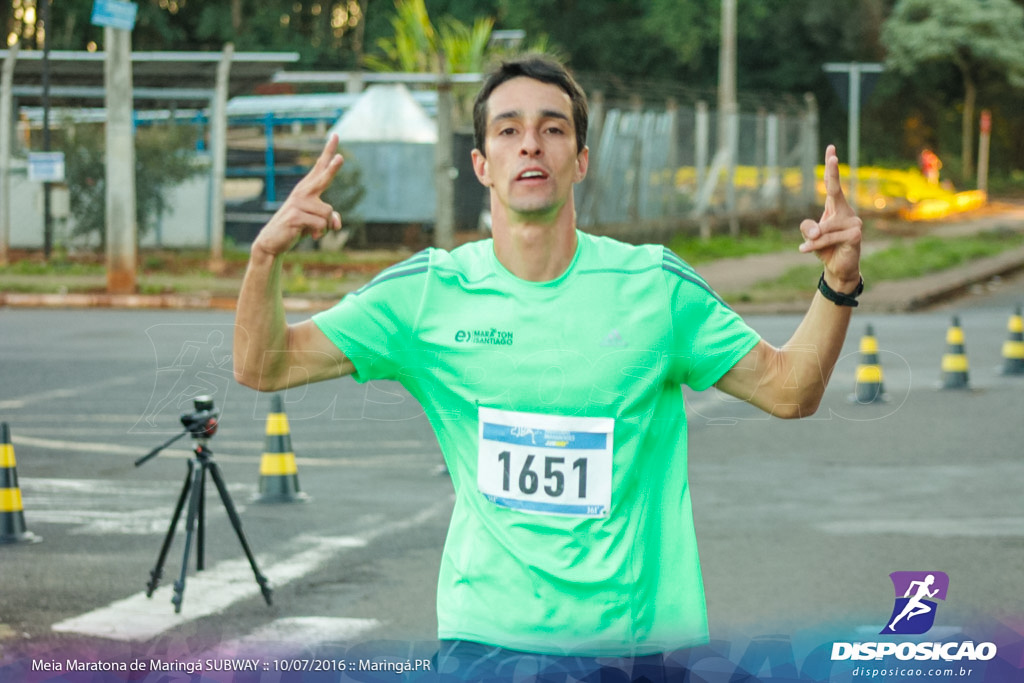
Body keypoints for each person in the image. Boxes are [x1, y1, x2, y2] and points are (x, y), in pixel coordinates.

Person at [233, 55, 863, 678]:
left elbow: (790, 390)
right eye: (508, 130)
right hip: (484, 645)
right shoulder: (428, 293)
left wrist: (838, 283)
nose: (530, 144)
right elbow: (265, 366)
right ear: (481, 164)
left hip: (640, 647)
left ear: (581, 160)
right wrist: (264, 258)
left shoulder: (655, 288)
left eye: (553, 128)